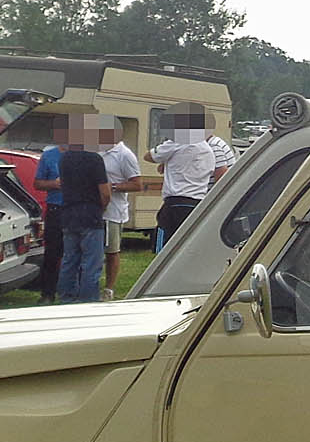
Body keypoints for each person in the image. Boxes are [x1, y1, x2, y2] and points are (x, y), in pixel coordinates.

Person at [146, 109, 227, 245]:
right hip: (197, 202)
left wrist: (167, 160)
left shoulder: (178, 142)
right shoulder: (208, 150)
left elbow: (149, 156)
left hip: (175, 201)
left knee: (163, 243)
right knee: (188, 243)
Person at [55, 116, 112, 303]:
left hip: (69, 213)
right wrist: (101, 208)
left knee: (69, 259)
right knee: (91, 263)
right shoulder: (94, 159)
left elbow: (63, 185)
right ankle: (88, 301)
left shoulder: (64, 159)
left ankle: (66, 297)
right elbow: (105, 192)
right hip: (90, 214)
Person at [98, 117, 142, 299]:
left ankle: (109, 289)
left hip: (113, 211)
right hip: (95, 209)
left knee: (112, 251)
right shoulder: (97, 151)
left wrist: (112, 187)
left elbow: (137, 184)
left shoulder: (124, 154)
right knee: (93, 251)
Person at [32, 117, 67, 304]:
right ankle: (47, 293)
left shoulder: (82, 155)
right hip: (55, 209)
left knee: (74, 253)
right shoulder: (48, 156)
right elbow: (37, 183)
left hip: (75, 210)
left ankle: (71, 293)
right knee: (52, 254)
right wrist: (54, 184)